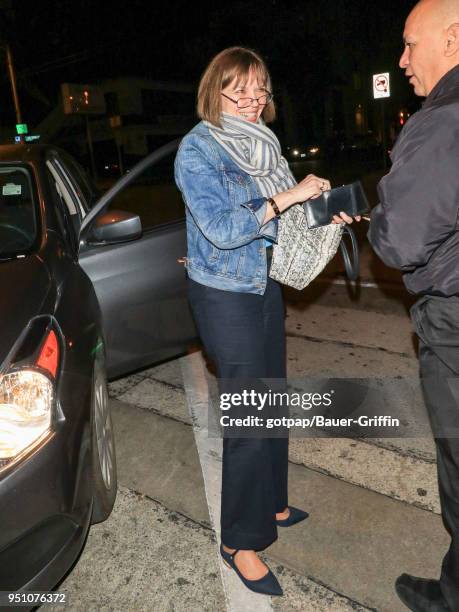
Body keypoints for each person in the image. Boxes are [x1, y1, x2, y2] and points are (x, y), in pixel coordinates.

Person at [175, 46, 355, 597]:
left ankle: (271, 500)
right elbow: (227, 229)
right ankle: (239, 540)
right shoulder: (197, 150)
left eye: (260, 91)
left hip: (263, 283)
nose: (253, 102)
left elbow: (286, 214)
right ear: (216, 92)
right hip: (225, 292)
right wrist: (285, 197)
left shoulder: (264, 144)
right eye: (240, 91)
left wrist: (324, 208)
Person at [368, 1, 459, 610]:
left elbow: (399, 238)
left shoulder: (443, 119)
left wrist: (377, 213)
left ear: (453, 38)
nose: (402, 61)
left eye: (409, 44)